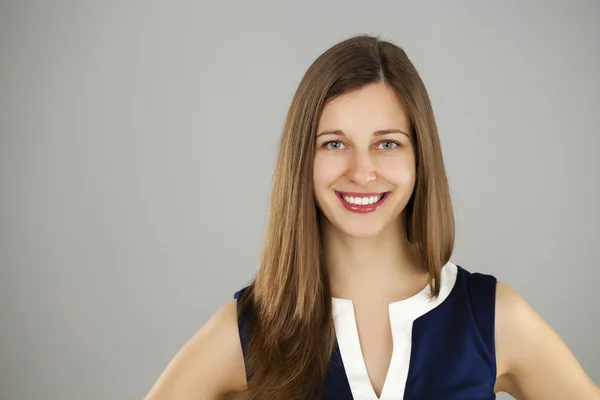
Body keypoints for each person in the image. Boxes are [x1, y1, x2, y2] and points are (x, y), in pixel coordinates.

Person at [145, 35, 600, 400]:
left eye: (388, 143)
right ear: (301, 159)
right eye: (334, 144)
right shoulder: (249, 330)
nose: (362, 172)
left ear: (420, 157)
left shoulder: (493, 318)